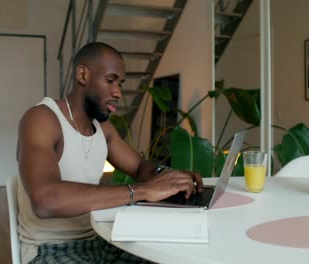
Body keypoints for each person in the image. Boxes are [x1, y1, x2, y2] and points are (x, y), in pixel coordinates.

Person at [17, 42, 203, 264]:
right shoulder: (42, 119)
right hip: (52, 249)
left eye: (120, 84)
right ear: (83, 75)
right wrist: (142, 191)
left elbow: (139, 167)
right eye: (110, 80)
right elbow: (45, 200)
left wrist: (171, 177)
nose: (117, 93)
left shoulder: (103, 128)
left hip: (101, 240)